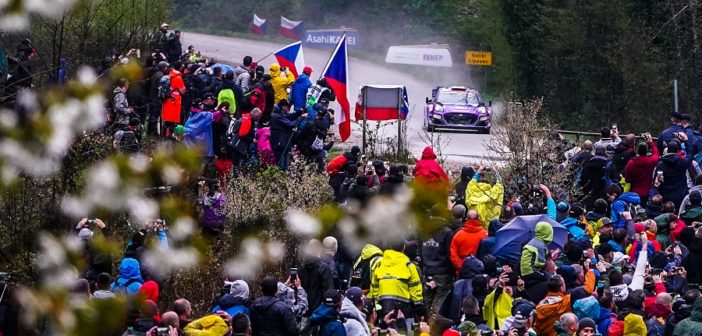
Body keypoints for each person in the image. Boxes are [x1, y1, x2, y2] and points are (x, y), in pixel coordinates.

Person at [368, 240, 424, 333]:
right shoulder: (409, 265)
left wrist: (376, 304)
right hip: (403, 307)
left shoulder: (380, 264)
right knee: (403, 331)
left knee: (385, 331)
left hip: (383, 305)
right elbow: (415, 288)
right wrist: (419, 308)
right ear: (403, 248)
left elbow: (374, 287)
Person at [422, 215, 455, 322]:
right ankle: (435, 325)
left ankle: (427, 324)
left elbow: (420, 250)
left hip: (427, 272)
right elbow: (450, 253)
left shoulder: (424, 230)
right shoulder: (447, 232)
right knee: (441, 301)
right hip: (443, 273)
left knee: (427, 300)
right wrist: (452, 272)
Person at [299, 240, 334, 335]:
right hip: (319, 311)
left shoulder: (301, 269)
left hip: (304, 311)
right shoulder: (324, 268)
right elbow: (328, 291)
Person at [657, 137, 695, 209]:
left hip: (666, 195)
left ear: (667, 150)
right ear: (678, 150)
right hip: (680, 195)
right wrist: (686, 140)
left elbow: (659, 181)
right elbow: (690, 155)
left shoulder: (660, 165)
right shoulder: (683, 162)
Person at [624, 133, 659, 205]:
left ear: (638, 151)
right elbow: (656, 154)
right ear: (647, 151)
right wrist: (651, 142)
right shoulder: (651, 161)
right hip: (647, 191)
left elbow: (627, 178)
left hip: (634, 191)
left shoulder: (631, 163)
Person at [270, 99, 305, 170]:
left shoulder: (281, 113)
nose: (288, 109)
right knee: (281, 166)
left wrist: (300, 112)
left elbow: (290, 116)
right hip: (279, 144)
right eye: (287, 107)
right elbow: (290, 124)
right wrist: (301, 118)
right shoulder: (276, 116)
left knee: (287, 165)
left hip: (284, 143)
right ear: (283, 107)